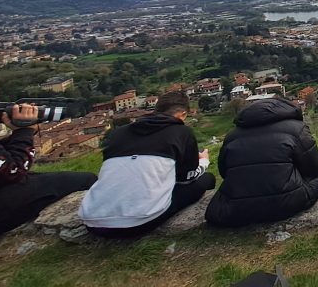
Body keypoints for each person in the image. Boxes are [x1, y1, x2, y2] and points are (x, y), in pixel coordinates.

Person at [0, 77, 96, 242]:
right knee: (84, 180)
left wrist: (18, 134)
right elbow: (14, 171)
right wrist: (24, 132)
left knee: (43, 179)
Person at [79, 91, 216, 237]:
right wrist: (204, 161)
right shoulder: (181, 132)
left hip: (93, 223)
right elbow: (186, 179)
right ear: (182, 114)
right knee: (207, 179)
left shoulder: (117, 134)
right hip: (138, 223)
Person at [205, 97, 318, 227]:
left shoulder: (231, 136)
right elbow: (314, 168)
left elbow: (224, 172)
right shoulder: (297, 129)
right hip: (285, 203)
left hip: (236, 207)